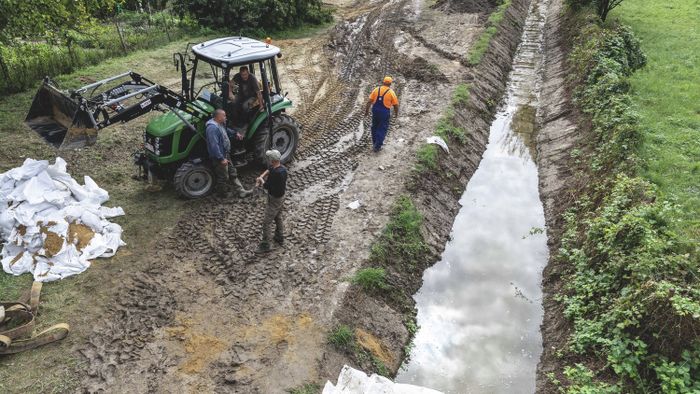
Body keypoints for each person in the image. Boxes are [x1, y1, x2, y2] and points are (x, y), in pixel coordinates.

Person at [205, 109, 253, 198]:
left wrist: (235, 134)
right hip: (219, 157)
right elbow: (214, 145)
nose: (226, 117)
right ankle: (222, 194)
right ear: (218, 117)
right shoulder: (212, 128)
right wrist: (221, 158)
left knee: (232, 172)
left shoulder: (220, 124)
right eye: (224, 116)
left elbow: (225, 130)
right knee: (223, 176)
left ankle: (241, 191)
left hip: (225, 154)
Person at [255, 149, 287, 253]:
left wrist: (261, 180)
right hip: (281, 198)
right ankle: (279, 236)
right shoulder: (282, 168)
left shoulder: (276, 174)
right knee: (278, 216)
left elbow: (267, 186)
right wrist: (262, 176)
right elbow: (269, 169)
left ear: (272, 160)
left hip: (274, 200)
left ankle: (265, 245)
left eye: (269, 158)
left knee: (266, 222)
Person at [363, 76, 400, 152]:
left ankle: (375, 143)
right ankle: (377, 146)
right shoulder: (391, 92)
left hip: (375, 111)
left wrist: (366, 111)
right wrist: (396, 114)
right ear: (390, 84)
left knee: (374, 126)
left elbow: (369, 101)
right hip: (384, 112)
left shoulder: (376, 90)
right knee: (382, 128)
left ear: (383, 82)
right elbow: (396, 105)